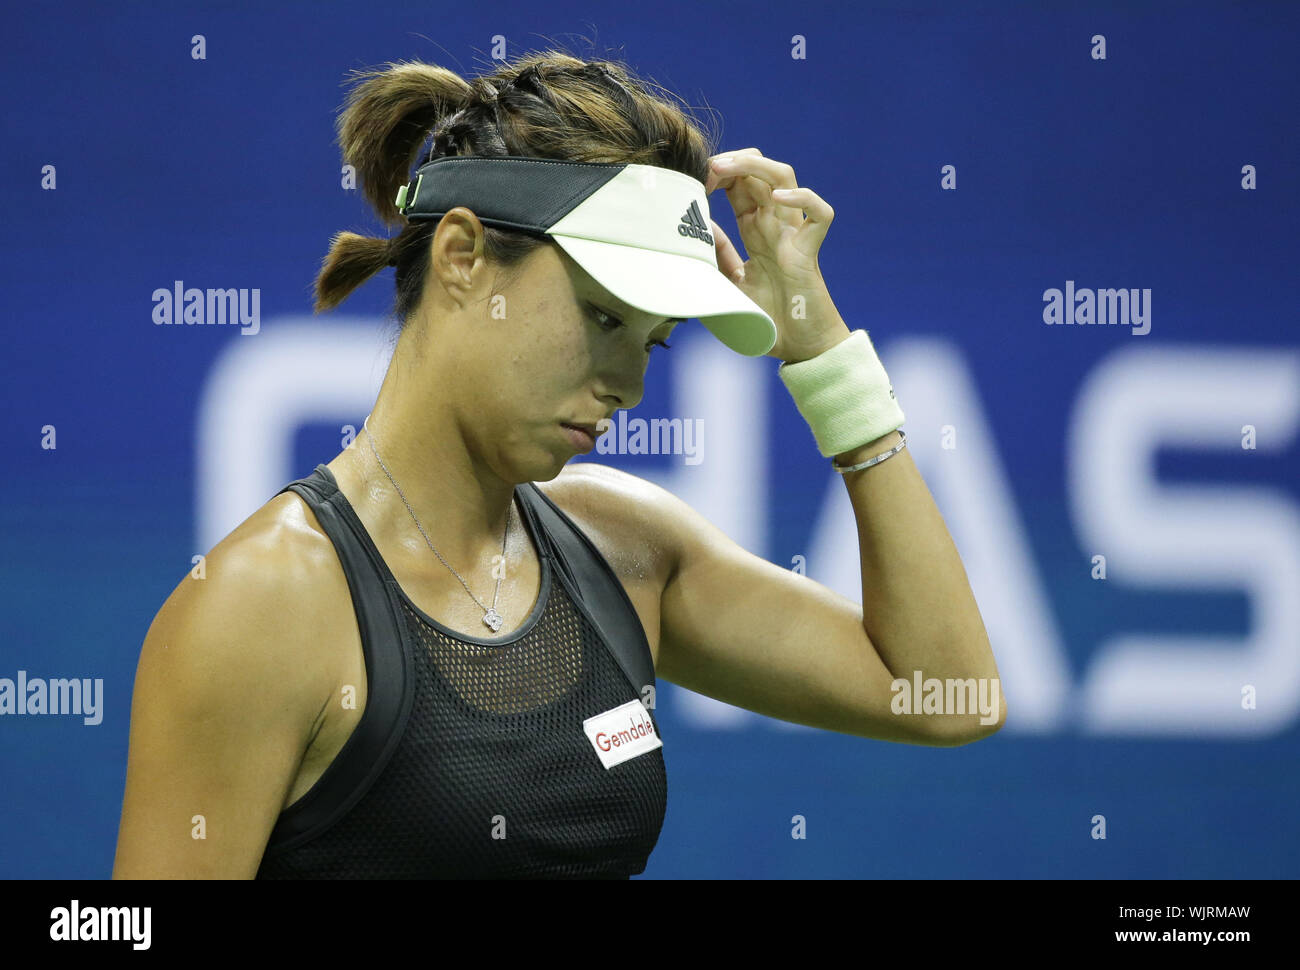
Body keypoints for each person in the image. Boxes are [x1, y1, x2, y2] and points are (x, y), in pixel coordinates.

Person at [112, 51, 1004, 880]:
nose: (629, 385)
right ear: (462, 256)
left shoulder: (624, 549)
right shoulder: (263, 604)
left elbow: (943, 693)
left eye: (653, 342)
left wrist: (820, 347)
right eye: (604, 318)